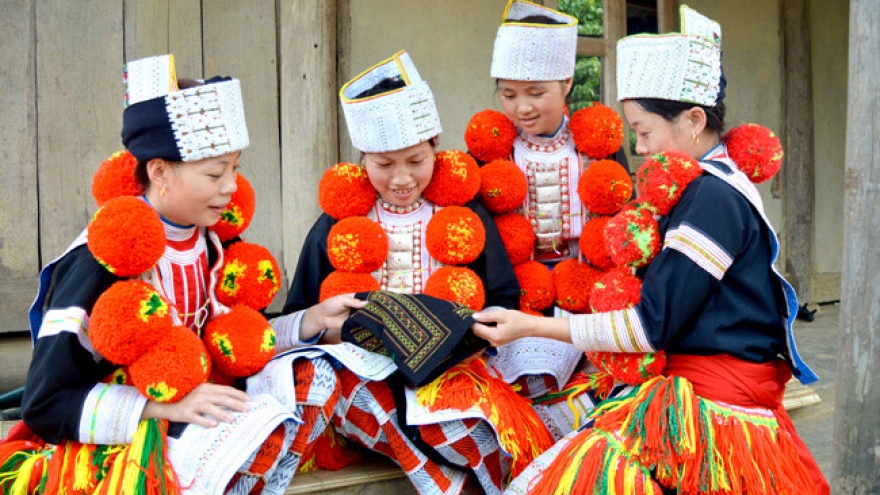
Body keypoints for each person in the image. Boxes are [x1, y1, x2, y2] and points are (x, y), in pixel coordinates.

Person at [471, 6, 831, 495]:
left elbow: (649, 325)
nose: (639, 148)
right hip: (704, 383)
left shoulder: (711, 199)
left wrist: (533, 327)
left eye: (643, 131)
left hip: (709, 399)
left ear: (693, 120)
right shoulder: (710, 189)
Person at [0, 54, 358, 495]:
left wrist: (311, 321)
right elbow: (44, 403)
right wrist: (160, 407)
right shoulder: (101, 261)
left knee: (319, 375)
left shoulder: (214, 243)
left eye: (235, 168)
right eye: (214, 173)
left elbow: (222, 337)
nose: (231, 186)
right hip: (133, 437)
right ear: (159, 172)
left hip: (203, 408)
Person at [263, 50, 553, 495]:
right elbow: (302, 313)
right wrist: (331, 326)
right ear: (362, 157)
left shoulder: (465, 213)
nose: (401, 178)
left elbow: (502, 299)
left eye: (416, 161)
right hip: (364, 376)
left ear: (436, 144)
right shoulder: (336, 225)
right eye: (383, 164)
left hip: (453, 375)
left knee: (476, 433)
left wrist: (473, 342)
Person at [467, 0, 632, 437]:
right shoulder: (491, 153)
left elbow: (620, 218)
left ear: (566, 82)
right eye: (508, 94)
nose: (521, 108)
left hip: (586, 284)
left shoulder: (595, 145)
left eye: (536, 93)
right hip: (517, 290)